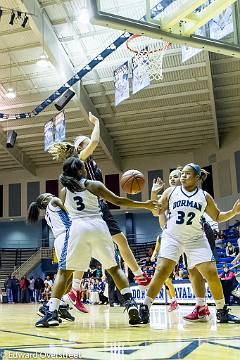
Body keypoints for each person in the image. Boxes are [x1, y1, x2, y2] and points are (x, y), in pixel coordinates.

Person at [30, 157, 157, 327]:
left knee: (64, 273)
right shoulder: (93, 184)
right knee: (113, 268)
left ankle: (52, 312)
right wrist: (146, 205)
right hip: (98, 226)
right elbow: (118, 201)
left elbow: (68, 212)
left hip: (76, 229)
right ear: (82, 171)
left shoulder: (64, 191)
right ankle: (130, 303)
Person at [48, 114, 151, 307]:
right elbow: (95, 141)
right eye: (85, 143)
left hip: (95, 209)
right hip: (93, 211)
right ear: (80, 148)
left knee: (120, 242)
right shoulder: (80, 159)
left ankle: (75, 291)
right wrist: (96, 124)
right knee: (111, 248)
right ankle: (136, 276)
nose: (90, 145)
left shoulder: (91, 164)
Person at [140, 163, 240, 324]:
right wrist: (153, 193)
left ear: (197, 178)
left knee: (212, 272)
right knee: (161, 272)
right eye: (182, 173)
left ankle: (222, 311)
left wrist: (233, 212)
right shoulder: (171, 191)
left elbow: (218, 217)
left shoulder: (204, 196)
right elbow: (156, 211)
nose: (183, 176)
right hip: (173, 237)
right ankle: (144, 308)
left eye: (187, 174)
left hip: (196, 239)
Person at [27, 192, 77, 324]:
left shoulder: (48, 213)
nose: (51, 193)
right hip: (66, 236)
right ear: (44, 200)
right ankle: (49, 308)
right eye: (47, 193)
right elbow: (70, 211)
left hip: (60, 240)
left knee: (69, 278)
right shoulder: (54, 201)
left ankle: (56, 305)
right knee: (66, 276)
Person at [151, 235, 179, 311]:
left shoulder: (172, 234)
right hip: (161, 260)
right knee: (165, 283)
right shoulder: (159, 236)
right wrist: (153, 256)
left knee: (168, 281)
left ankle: (174, 301)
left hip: (170, 259)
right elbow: (156, 249)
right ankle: (172, 301)